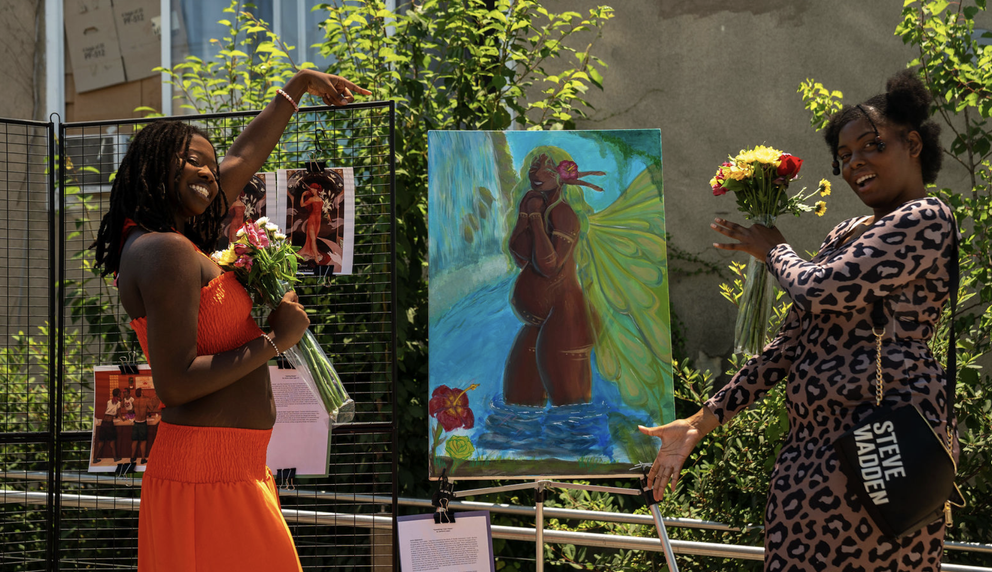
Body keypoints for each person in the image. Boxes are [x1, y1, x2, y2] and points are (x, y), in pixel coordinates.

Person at [639, 70, 958, 570]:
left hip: (884, 450)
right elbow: (789, 346)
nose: (855, 163)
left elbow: (821, 288)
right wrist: (701, 422)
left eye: (870, 146)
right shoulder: (846, 232)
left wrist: (776, 251)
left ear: (912, 144)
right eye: (844, 156)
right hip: (809, 459)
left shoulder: (926, 218)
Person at [92, 69, 370, 571]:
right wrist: (276, 340)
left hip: (230, 468)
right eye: (193, 161)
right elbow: (175, 383)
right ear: (155, 168)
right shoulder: (166, 251)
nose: (209, 173)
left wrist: (297, 87)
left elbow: (243, 158)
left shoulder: (169, 241)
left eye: (211, 164)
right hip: (207, 477)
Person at [503, 149, 604, 406]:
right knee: (518, 402)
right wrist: (525, 213)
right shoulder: (537, 204)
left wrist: (536, 218)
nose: (537, 175)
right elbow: (519, 254)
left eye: (547, 170)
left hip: (566, 320)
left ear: (562, 176)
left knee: (570, 411)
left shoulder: (563, 214)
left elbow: (549, 266)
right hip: (541, 321)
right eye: (533, 168)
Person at [94, 388, 123, 463]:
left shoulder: (109, 401)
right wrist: (123, 419)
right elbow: (119, 413)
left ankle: (95, 458)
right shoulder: (118, 403)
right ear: (118, 394)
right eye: (120, 393)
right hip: (109, 423)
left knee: (101, 442)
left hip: (103, 422)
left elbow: (109, 411)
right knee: (112, 441)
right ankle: (115, 457)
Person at [131, 388, 152, 464]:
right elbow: (151, 408)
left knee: (134, 440)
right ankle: (143, 459)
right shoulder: (146, 400)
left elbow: (132, 411)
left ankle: (132, 458)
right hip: (142, 423)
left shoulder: (134, 402)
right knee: (143, 441)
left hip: (136, 422)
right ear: (142, 393)